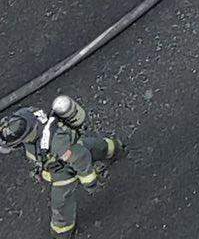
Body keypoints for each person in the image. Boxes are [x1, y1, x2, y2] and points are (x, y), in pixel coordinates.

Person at [2, 96, 121, 235]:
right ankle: (115, 148)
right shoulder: (25, 117)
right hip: (66, 151)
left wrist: (90, 181)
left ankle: (62, 232)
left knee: (61, 204)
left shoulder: (56, 144)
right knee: (95, 147)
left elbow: (80, 156)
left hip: (63, 172)